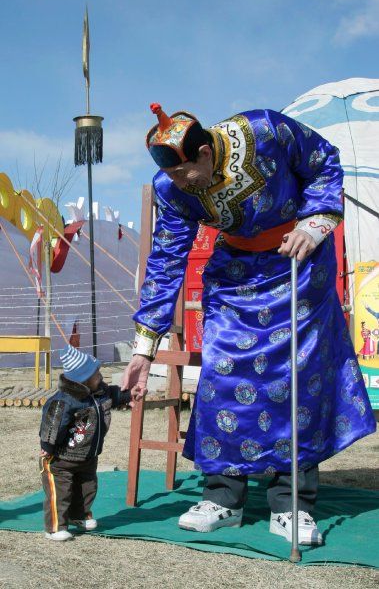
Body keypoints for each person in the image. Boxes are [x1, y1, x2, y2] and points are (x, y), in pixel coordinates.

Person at [122, 104, 376, 545]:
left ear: (204, 151)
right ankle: (223, 498)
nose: (180, 183)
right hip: (236, 278)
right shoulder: (172, 188)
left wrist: (315, 225)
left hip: (297, 265)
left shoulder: (267, 129)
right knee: (222, 378)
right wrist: (143, 349)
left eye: (185, 172)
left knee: (298, 380)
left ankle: (291, 504)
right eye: (174, 176)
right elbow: (165, 263)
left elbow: (324, 162)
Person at [40, 344, 135, 541]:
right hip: (61, 458)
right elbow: (52, 425)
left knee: (87, 487)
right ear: (83, 380)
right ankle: (55, 527)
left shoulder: (99, 393)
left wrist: (130, 394)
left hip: (88, 455)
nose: (100, 376)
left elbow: (114, 395)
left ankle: (80, 516)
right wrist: (47, 447)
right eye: (96, 374)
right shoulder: (64, 401)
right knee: (61, 492)